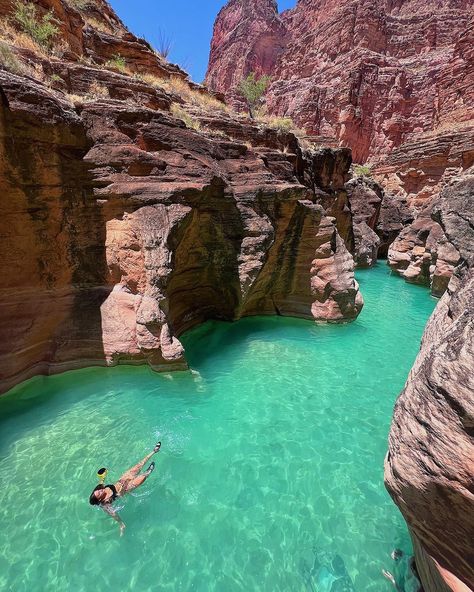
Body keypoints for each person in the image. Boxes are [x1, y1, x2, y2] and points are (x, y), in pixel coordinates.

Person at [89, 442, 162, 535]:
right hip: (127, 487)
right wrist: (121, 524)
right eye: (98, 493)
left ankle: (154, 451)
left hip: (123, 478)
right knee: (143, 477)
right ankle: (148, 472)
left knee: (139, 465)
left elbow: (102, 480)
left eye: (97, 490)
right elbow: (114, 514)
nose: (99, 490)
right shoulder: (106, 503)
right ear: (99, 499)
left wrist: (103, 475)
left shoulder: (101, 488)